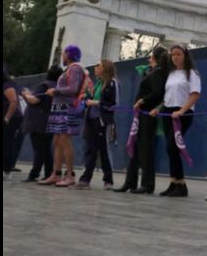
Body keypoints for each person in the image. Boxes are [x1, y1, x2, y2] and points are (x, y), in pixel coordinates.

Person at [115, 47, 170, 194]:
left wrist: (142, 101)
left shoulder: (158, 73)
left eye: (151, 56)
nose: (148, 59)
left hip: (147, 113)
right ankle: (130, 181)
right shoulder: (154, 72)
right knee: (136, 146)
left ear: (156, 58)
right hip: (142, 113)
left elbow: (158, 93)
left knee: (145, 148)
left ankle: (147, 183)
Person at [150, 44, 200, 197]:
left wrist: (182, 111)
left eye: (178, 54)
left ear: (185, 55)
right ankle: (174, 182)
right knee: (170, 147)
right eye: (173, 55)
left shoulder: (192, 73)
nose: (176, 57)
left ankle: (181, 183)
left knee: (173, 145)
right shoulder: (171, 74)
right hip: (168, 111)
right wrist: (158, 108)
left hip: (182, 113)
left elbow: (195, 94)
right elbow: (168, 96)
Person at [39, 45, 88, 187]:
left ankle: (70, 174)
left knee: (64, 140)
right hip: (60, 108)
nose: (63, 56)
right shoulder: (71, 69)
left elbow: (73, 89)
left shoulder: (75, 68)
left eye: (64, 53)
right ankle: (57, 173)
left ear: (69, 54)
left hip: (67, 108)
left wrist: (56, 90)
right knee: (57, 141)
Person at [71, 59, 118, 190]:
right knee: (90, 149)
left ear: (105, 68)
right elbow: (91, 99)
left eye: (98, 65)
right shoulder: (98, 84)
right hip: (91, 119)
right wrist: (86, 97)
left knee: (104, 150)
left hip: (103, 120)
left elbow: (114, 104)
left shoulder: (112, 83)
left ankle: (108, 180)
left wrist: (96, 103)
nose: (95, 68)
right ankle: (85, 179)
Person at [20, 65, 62, 182]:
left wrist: (26, 94)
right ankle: (49, 173)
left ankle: (34, 174)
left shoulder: (44, 85)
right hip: (51, 120)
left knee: (39, 149)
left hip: (38, 121)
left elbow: (34, 100)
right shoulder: (58, 87)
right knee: (45, 149)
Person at [3, 67, 24, 180]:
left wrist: (7, 118)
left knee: (7, 144)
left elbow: (13, 102)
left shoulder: (8, 85)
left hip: (11, 119)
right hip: (9, 117)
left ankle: (7, 171)